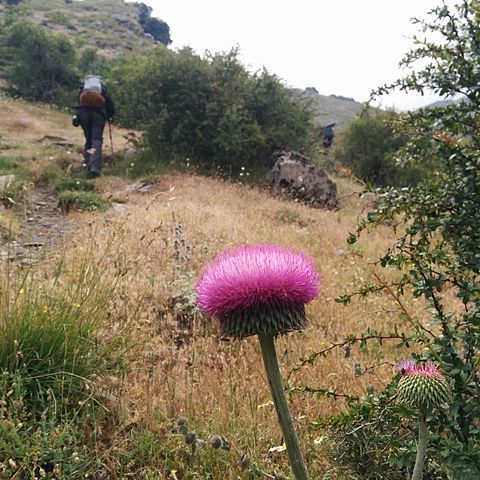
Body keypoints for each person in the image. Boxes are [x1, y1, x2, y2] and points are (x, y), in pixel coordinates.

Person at [76, 75, 115, 177]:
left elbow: (78, 102)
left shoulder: (83, 89)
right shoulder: (102, 88)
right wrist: (110, 115)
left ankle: (86, 165)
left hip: (84, 115)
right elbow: (109, 103)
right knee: (96, 140)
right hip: (98, 115)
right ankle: (95, 167)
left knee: (88, 140)